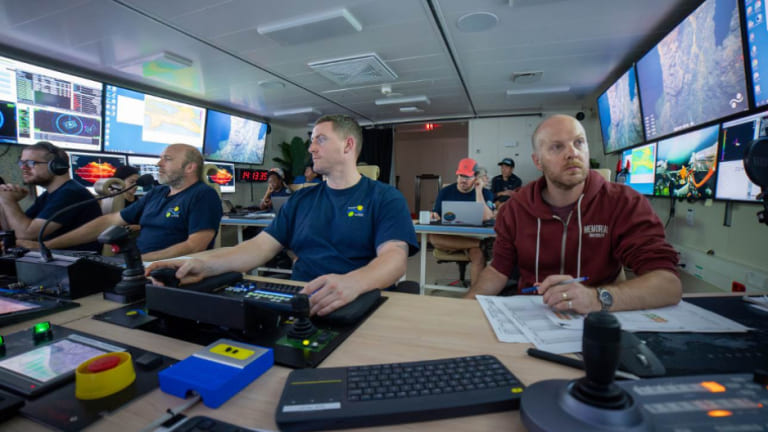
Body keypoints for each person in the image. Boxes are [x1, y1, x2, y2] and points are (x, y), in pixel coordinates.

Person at [147, 114, 418, 317]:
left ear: (348, 146)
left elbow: (394, 258)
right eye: (311, 141)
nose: (311, 148)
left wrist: (353, 283)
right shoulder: (300, 199)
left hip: (358, 299)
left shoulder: (384, 197)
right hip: (301, 298)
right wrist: (203, 265)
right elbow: (258, 247)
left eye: (320, 140)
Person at [465, 114, 682, 313]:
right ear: (538, 161)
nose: (572, 153)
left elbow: (667, 284)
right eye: (557, 147)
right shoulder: (515, 209)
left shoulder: (624, 203)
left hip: (601, 316)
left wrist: (596, 298)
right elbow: (498, 271)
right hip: (532, 315)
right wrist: (461, 310)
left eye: (579, 142)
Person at [42, 144, 222, 261]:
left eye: (167, 159)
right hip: (137, 265)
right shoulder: (157, 193)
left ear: (190, 167)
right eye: (160, 158)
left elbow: (195, 245)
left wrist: (142, 259)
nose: (159, 163)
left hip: (171, 271)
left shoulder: (203, 195)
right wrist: (48, 245)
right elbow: (110, 221)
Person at [0, 141, 102, 251]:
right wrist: (2, 198)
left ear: (56, 166)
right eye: (21, 163)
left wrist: (8, 200)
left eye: (30, 163)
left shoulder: (71, 193)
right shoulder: (48, 195)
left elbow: (26, 234)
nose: (23, 168)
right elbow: (13, 231)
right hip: (53, 261)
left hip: (75, 264)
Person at [429, 158, 495, 284]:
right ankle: (482, 245)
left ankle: (475, 296)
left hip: (472, 237)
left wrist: (478, 191)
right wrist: (434, 216)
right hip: (451, 237)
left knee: (479, 256)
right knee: (433, 238)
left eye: (468, 177)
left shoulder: (485, 193)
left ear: (476, 177)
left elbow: (487, 217)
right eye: (460, 176)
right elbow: (436, 213)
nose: (463, 180)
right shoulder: (445, 191)